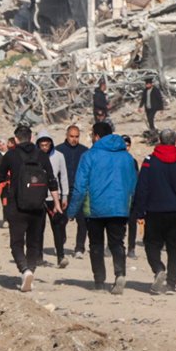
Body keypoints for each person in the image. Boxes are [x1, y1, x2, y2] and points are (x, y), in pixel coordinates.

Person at [67, 122, 137, 294]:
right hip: (120, 208)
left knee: (96, 245)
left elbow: (80, 186)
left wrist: (71, 211)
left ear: (97, 136)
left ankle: (99, 282)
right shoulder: (127, 158)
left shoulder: (89, 155)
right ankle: (120, 274)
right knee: (117, 243)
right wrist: (132, 207)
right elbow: (134, 185)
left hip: (95, 209)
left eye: (92, 134)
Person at [132, 129, 176, 295]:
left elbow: (142, 188)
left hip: (155, 213)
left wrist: (139, 212)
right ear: (175, 142)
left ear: (159, 141)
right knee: (175, 249)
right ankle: (171, 284)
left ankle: (158, 268)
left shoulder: (149, 162)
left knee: (151, 244)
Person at [0, 126, 59, 292]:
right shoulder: (42, 155)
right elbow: (52, 180)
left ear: (16, 139)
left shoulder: (11, 154)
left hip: (17, 206)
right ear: (31, 138)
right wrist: (57, 203)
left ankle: (25, 270)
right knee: (34, 242)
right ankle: (31, 270)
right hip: (38, 205)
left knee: (16, 242)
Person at [37, 132, 71, 268]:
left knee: (58, 227)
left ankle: (60, 256)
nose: (44, 147)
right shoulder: (34, 156)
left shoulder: (59, 156)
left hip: (54, 197)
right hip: (38, 197)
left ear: (51, 143)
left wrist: (64, 195)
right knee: (38, 228)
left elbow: (63, 176)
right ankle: (38, 257)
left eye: (47, 144)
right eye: (42, 145)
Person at [57, 125, 89, 259]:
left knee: (82, 221)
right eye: (72, 136)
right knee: (61, 219)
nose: (74, 139)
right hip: (63, 191)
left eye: (76, 137)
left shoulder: (85, 151)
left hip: (80, 191)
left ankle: (79, 248)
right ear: (66, 135)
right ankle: (60, 243)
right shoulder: (58, 151)